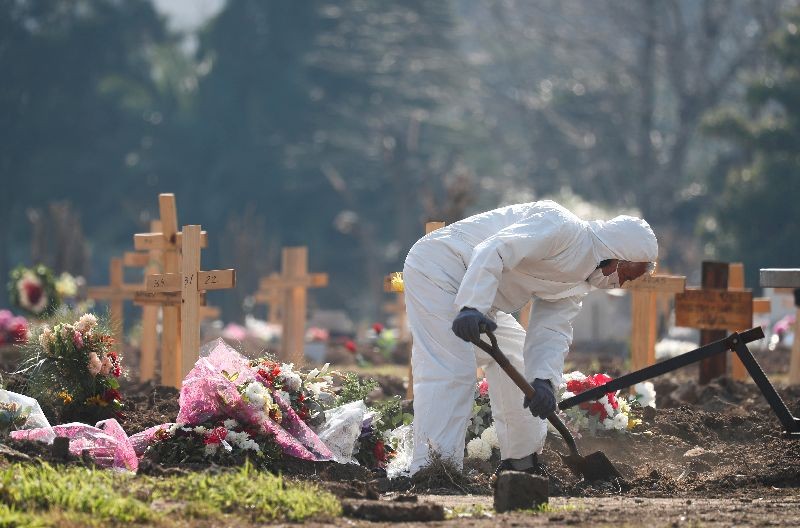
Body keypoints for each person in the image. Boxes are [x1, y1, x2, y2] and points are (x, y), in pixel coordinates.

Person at [403, 200, 657, 476]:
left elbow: (552, 330)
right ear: (615, 256)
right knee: (453, 369)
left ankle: (521, 463)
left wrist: (544, 382)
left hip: (477, 297)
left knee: (518, 360)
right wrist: (472, 306)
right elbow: (494, 249)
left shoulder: (580, 283)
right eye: (625, 275)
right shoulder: (560, 227)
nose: (620, 284)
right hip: (439, 268)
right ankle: (434, 469)